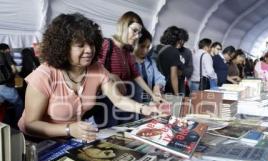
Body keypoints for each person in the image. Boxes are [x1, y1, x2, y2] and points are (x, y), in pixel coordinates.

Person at [18, 13, 161, 141]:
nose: (88, 50)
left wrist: (144, 108)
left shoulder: (97, 69)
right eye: (80, 45)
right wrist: (69, 129)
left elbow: (118, 99)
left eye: (91, 44)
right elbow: (31, 124)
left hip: (71, 139)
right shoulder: (44, 75)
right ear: (63, 47)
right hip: (37, 142)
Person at [93, 11, 163, 127]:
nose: (136, 36)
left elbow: (136, 75)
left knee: (122, 132)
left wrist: (152, 94)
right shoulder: (107, 44)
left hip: (124, 100)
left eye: (139, 33)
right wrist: (112, 76)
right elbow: (96, 67)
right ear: (123, 26)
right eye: (134, 30)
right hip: (108, 101)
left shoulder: (127, 51)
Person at [133, 28, 165, 103]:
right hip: (133, 104)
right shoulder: (129, 62)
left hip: (147, 102)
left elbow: (160, 78)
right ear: (135, 44)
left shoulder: (151, 62)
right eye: (142, 46)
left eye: (148, 47)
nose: (145, 51)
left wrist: (157, 86)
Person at [154, 26, 183, 95]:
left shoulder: (155, 47)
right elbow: (174, 76)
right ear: (177, 39)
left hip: (153, 86)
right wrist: (177, 94)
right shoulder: (173, 51)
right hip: (165, 87)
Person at [0, 43, 23, 126]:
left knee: (2, 106)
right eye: (8, 49)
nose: (9, 51)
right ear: (5, 49)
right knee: (19, 103)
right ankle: (18, 122)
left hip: (2, 87)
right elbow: (14, 71)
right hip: (4, 86)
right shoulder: (6, 55)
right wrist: (19, 84)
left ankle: (4, 123)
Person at [178, 28, 193, 95]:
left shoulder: (187, 52)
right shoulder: (168, 51)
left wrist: (181, 72)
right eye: (180, 39)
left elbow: (190, 70)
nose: (182, 42)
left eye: (183, 40)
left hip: (181, 86)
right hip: (165, 85)